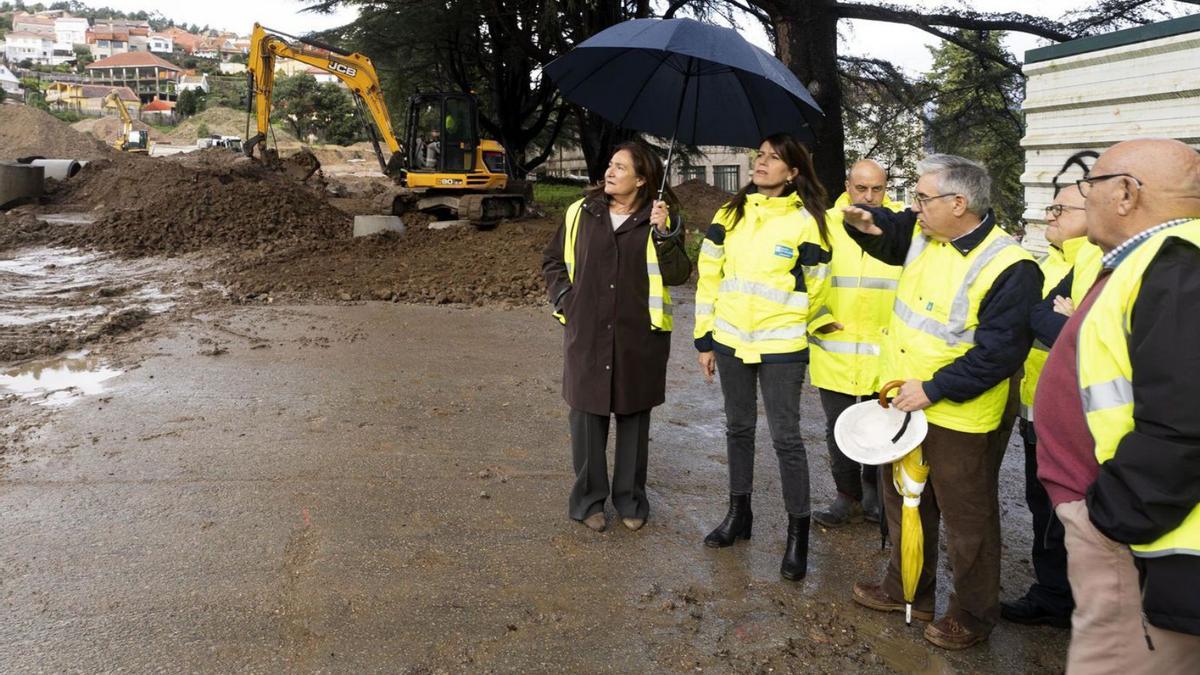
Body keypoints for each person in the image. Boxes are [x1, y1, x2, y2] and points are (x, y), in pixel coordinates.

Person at [842, 154, 1042, 650]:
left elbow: (999, 353)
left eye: (923, 198)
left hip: (959, 414)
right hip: (903, 404)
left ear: (959, 203)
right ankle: (906, 588)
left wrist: (933, 389)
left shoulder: (1010, 267)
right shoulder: (926, 233)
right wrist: (861, 222)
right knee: (905, 502)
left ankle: (973, 615)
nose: (914, 207)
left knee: (967, 518)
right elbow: (888, 228)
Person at [1033, 138, 1200, 671]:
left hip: (1145, 544)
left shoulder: (1175, 267)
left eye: (1092, 186)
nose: (1086, 197)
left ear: (1126, 193)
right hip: (1137, 534)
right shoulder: (1152, 262)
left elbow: (1183, 420)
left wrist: (1112, 516)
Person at [693, 133, 835, 581]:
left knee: (787, 439)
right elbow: (708, 277)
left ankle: (798, 536)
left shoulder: (807, 222)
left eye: (774, 159)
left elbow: (819, 285)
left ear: (793, 172)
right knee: (737, 428)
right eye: (760, 155)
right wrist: (705, 339)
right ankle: (740, 515)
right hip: (732, 340)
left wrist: (795, 326)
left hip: (781, 346)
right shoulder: (729, 214)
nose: (762, 163)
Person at [541, 141, 691, 533]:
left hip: (638, 334)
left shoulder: (662, 217)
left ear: (642, 179)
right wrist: (565, 300)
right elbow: (553, 261)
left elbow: (677, 274)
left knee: (633, 418)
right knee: (587, 415)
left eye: (621, 168)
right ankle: (589, 500)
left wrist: (665, 234)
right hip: (587, 330)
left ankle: (630, 500)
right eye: (610, 165)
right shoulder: (580, 212)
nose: (610, 172)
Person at [1000, 156, 1104, 630]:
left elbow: (1078, 335)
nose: (1049, 219)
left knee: (1068, 508)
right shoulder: (1053, 261)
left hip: (1075, 415)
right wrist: (1062, 316)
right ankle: (1056, 593)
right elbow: (1038, 316)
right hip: (1039, 404)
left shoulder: (1096, 259)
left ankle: (1067, 598)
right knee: (1043, 504)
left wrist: (1064, 319)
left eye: (1060, 211)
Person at [809, 159, 903, 528]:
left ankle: (876, 497)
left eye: (876, 189)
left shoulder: (900, 227)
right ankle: (844, 497)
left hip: (886, 352)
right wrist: (816, 320)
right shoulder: (825, 225)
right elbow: (804, 278)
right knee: (839, 428)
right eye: (861, 188)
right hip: (836, 348)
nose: (868, 196)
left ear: (886, 188)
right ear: (847, 186)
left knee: (881, 429)